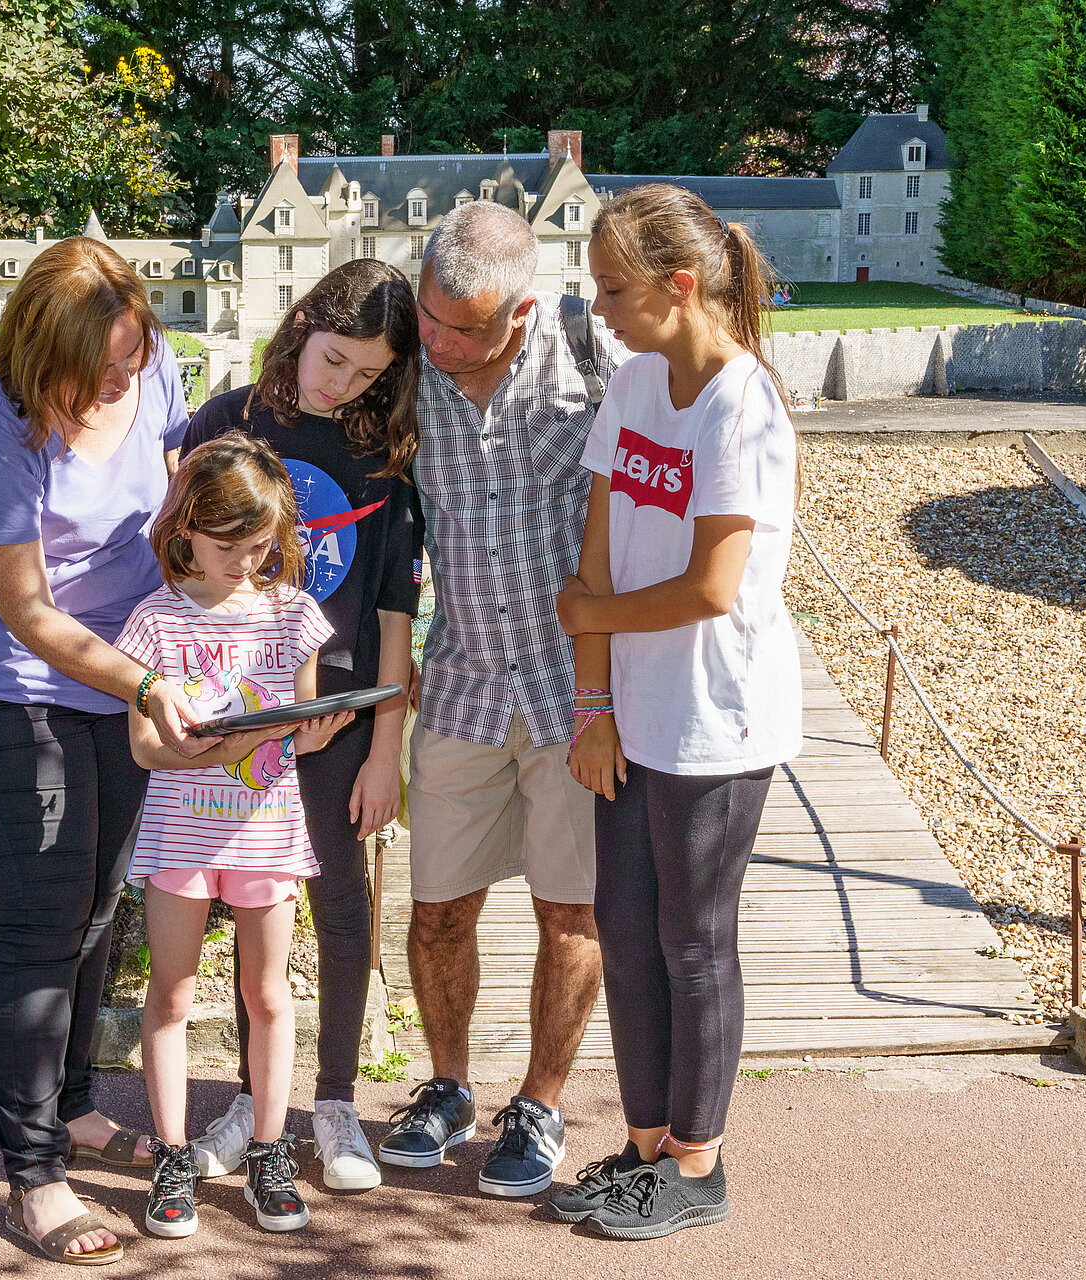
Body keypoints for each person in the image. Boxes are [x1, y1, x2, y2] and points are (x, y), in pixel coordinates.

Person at [0, 236, 206, 1266]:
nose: (128, 377)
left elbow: (172, 501)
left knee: (97, 904)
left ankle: (73, 1109)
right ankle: (33, 1177)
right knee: (39, 917)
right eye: (107, 368)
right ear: (46, 357)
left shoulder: (148, 358)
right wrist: (149, 683)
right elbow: (29, 614)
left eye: (136, 356)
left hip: (118, 667)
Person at [548, 183, 800, 1239]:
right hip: (632, 712)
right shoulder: (636, 382)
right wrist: (593, 697)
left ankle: (699, 1164)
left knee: (693, 939)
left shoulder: (744, 405)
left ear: (679, 285)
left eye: (613, 288)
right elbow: (599, 547)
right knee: (626, 928)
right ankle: (646, 1145)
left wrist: (588, 612)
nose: (597, 306)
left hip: (719, 718)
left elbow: (711, 586)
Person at [380, 200, 628, 1197]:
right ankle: (445, 1085)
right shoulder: (412, 364)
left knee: (573, 909)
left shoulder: (589, 347)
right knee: (438, 907)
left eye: (461, 327)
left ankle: (538, 1099)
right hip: (466, 680)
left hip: (578, 689)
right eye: (428, 318)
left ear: (519, 315)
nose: (436, 342)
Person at [178, 260, 422, 1193]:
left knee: (341, 903)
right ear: (303, 323)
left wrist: (386, 744)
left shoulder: (379, 449)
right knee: (253, 905)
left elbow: (395, 605)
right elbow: (179, 571)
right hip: (242, 717)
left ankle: (335, 1102)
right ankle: (254, 1101)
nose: (342, 385)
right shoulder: (224, 425)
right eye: (334, 359)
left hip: (344, 717)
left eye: (367, 375)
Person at [113, 433, 353, 1237]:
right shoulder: (154, 620)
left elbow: (303, 729)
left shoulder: (292, 614)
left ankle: (268, 1151)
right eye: (226, 548)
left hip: (266, 831)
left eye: (258, 547)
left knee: (268, 995)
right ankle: (174, 1154)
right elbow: (145, 746)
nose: (245, 563)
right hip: (183, 833)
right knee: (172, 994)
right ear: (184, 531)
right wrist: (215, 745)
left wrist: (327, 724)